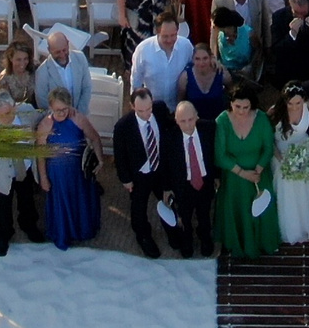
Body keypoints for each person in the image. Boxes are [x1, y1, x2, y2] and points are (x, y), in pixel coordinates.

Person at [213, 89, 281, 255]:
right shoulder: (222, 121)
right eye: (237, 107)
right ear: (230, 103)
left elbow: (268, 147)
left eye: (246, 107)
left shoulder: (261, 118)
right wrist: (243, 173)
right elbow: (220, 155)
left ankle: (262, 243)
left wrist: (257, 170)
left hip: (258, 173)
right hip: (234, 176)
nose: (242, 111)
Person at [113, 86, 177, 258]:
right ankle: (143, 236)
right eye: (141, 110)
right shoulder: (123, 127)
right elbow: (120, 156)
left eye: (149, 109)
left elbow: (170, 128)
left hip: (160, 169)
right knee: (138, 207)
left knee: (167, 200)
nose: (147, 113)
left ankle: (172, 229)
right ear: (132, 106)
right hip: (139, 173)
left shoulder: (160, 109)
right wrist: (126, 179)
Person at [0, 89, 41, 254]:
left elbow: (43, 116)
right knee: (2, 209)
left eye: (8, 113)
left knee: (27, 201)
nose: (5, 118)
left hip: (24, 168)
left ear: (14, 107)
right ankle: (5, 233)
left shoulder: (26, 112)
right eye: (0, 115)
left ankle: (29, 225)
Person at [35, 89, 103, 248]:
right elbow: (41, 154)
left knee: (80, 200)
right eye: (57, 109)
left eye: (64, 109)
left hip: (78, 171)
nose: (61, 113)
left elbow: (94, 137)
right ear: (50, 107)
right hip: (58, 174)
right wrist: (43, 178)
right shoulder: (45, 125)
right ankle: (64, 233)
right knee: (62, 204)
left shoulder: (78, 118)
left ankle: (81, 231)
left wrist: (100, 160)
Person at [273, 88, 309, 243]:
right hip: (282, 156)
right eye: (291, 103)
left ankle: (306, 224)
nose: (295, 107)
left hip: (304, 153)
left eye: (298, 103)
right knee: (287, 193)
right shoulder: (275, 113)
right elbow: (269, 138)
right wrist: (280, 157)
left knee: (305, 192)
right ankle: (290, 227)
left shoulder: (307, 105)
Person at [170, 100, 215, 257]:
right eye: (183, 121)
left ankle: (205, 237)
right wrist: (167, 188)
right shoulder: (171, 138)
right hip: (184, 184)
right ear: (176, 121)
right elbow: (166, 166)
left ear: (197, 117)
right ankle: (186, 239)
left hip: (204, 181)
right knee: (185, 216)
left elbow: (214, 156)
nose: (188, 125)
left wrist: (216, 177)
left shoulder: (208, 129)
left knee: (204, 214)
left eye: (191, 119)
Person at [129, 9, 195, 108]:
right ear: (157, 32)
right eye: (165, 36)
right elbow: (136, 81)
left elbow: (195, 68)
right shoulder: (143, 50)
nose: (169, 40)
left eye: (173, 35)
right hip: (152, 108)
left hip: (177, 107)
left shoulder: (186, 46)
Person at [36, 29, 97, 119]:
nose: (62, 54)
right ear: (49, 50)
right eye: (57, 52)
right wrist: (63, 116)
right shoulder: (42, 72)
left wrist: (78, 114)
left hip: (81, 116)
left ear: (68, 44)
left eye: (64, 50)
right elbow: (43, 103)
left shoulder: (80, 58)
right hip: (57, 121)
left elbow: (86, 88)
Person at [184, 39, 232, 133]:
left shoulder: (221, 73)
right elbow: (181, 102)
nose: (201, 63)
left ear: (211, 58)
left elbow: (232, 94)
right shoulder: (185, 77)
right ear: (192, 59)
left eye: (205, 58)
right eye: (197, 59)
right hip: (195, 128)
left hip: (219, 126)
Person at [210, 0, 254, 78]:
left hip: (245, 74)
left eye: (215, 26)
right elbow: (216, 55)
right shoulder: (219, 35)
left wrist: (250, 66)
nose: (213, 28)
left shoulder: (248, 33)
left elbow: (258, 51)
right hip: (226, 73)